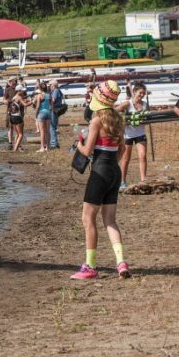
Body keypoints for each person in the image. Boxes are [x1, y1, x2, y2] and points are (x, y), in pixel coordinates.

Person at [69, 79, 131, 280]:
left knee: (88, 219)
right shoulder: (118, 119)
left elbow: (87, 151)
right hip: (114, 169)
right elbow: (122, 148)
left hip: (100, 171)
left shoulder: (97, 121)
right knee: (110, 220)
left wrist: (78, 144)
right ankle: (121, 262)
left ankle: (90, 266)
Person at [115, 82, 148, 189]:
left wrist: (142, 119)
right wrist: (123, 119)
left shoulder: (145, 105)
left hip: (140, 133)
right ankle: (122, 181)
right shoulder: (127, 104)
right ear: (134, 92)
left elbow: (148, 118)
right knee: (125, 159)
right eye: (140, 93)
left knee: (142, 155)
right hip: (128, 135)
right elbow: (115, 111)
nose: (142, 95)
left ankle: (143, 180)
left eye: (144, 93)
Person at [32, 81, 52, 152]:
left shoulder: (39, 95)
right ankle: (48, 147)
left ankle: (42, 148)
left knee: (42, 131)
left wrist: (36, 115)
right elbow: (51, 105)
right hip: (48, 113)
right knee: (48, 131)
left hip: (42, 113)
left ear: (40, 88)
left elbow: (37, 106)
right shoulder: (48, 95)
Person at [49, 81, 65, 149]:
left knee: (52, 127)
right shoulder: (58, 90)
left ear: (53, 85)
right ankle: (56, 142)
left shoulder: (55, 91)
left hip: (53, 109)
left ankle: (53, 144)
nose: (49, 87)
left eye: (50, 85)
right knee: (54, 127)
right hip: (56, 109)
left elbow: (53, 100)